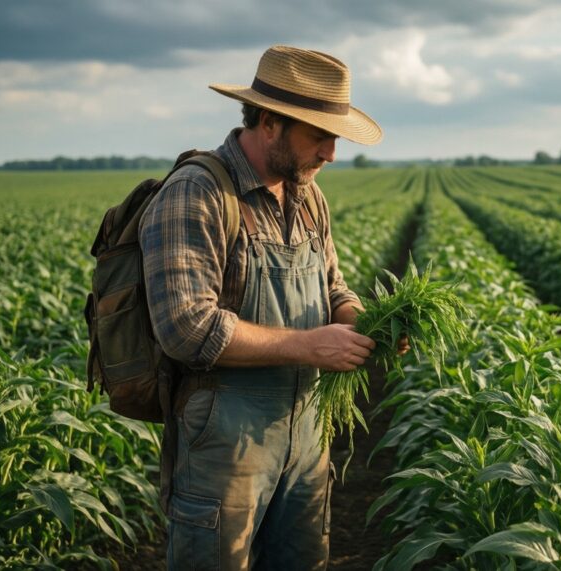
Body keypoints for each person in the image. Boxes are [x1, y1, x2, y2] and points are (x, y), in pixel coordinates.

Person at [139, 45, 401, 570]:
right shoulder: (199, 193)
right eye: (318, 135)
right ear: (269, 123)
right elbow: (187, 328)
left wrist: (359, 320)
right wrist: (310, 345)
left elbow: (333, 288)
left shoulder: (308, 196)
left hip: (306, 438)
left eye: (335, 137)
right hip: (224, 445)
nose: (331, 152)